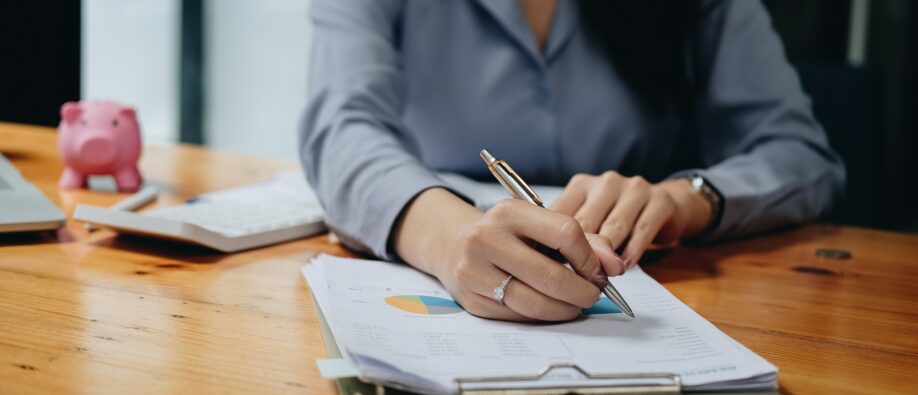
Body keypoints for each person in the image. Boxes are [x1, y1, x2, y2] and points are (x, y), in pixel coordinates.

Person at [299, 0, 845, 322]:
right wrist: (447, 238)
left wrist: (685, 198)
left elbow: (801, 155)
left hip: (662, 279)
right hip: (443, 248)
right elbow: (341, 130)